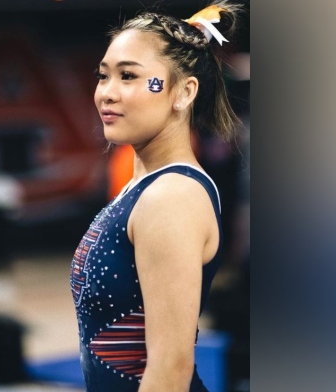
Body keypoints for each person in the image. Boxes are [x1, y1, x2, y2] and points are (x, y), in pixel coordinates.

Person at [69, 2, 242, 391]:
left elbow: (169, 372)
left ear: (183, 92)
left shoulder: (171, 198)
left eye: (129, 76)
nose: (107, 94)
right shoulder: (144, 186)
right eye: (103, 76)